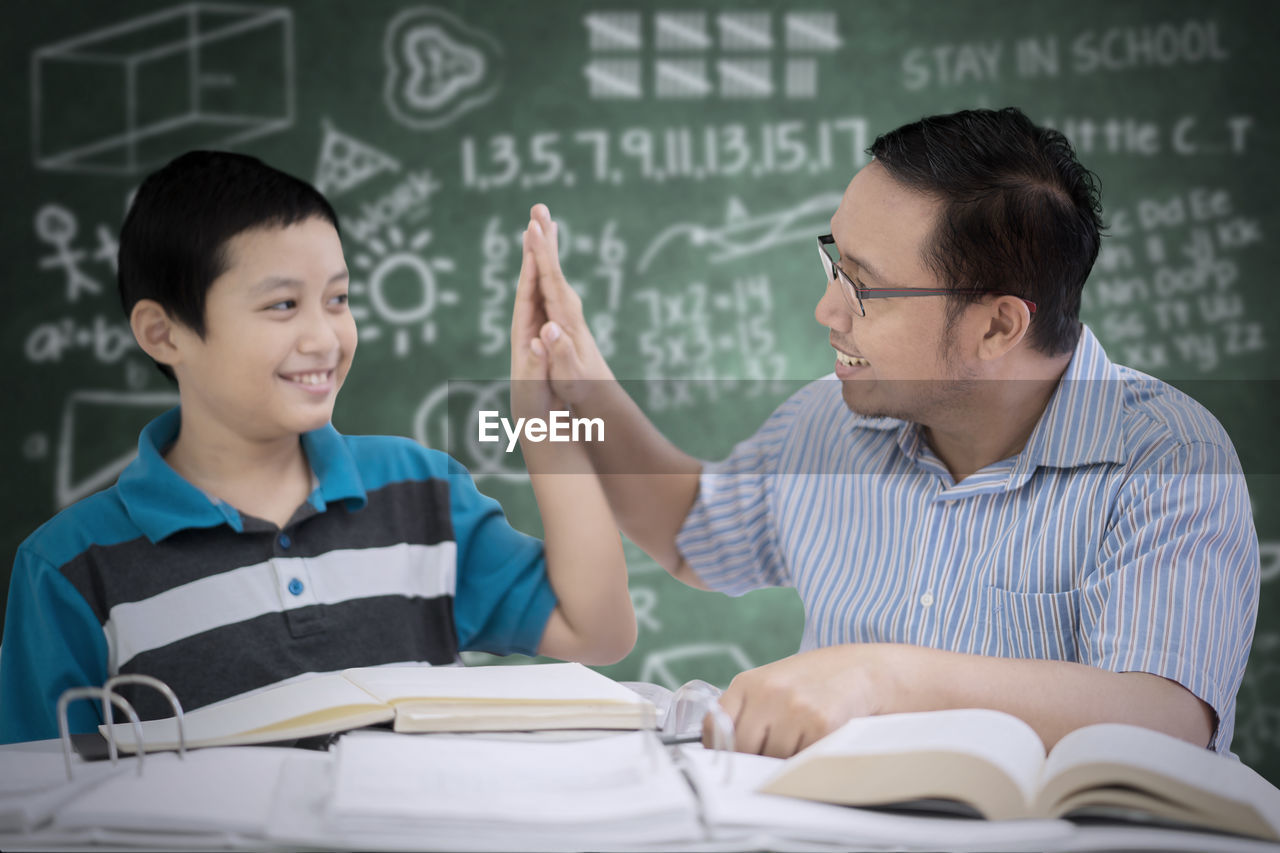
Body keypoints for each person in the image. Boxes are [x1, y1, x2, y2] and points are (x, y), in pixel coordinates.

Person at [515, 107, 1259, 758]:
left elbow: (1168, 716)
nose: (829, 312)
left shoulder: (1167, 455)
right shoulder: (830, 420)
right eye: (834, 262)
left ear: (999, 325)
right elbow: (688, 529)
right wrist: (582, 383)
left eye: (864, 288)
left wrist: (883, 676)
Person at [0, 151, 634, 743]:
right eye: (283, 305)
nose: (325, 337)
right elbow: (35, 797)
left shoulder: (420, 493)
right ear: (163, 333)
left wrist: (552, 421)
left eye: (338, 300)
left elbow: (599, 630)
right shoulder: (70, 570)